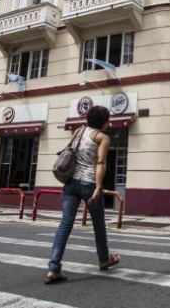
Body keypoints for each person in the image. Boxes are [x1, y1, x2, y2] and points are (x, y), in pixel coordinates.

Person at [46, 106, 120, 284]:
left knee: (65, 223)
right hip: (89, 184)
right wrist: (98, 188)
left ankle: (54, 268)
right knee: (98, 225)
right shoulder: (102, 137)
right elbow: (101, 163)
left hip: (70, 184)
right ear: (104, 121)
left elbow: (70, 151)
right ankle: (103, 259)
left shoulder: (78, 130)